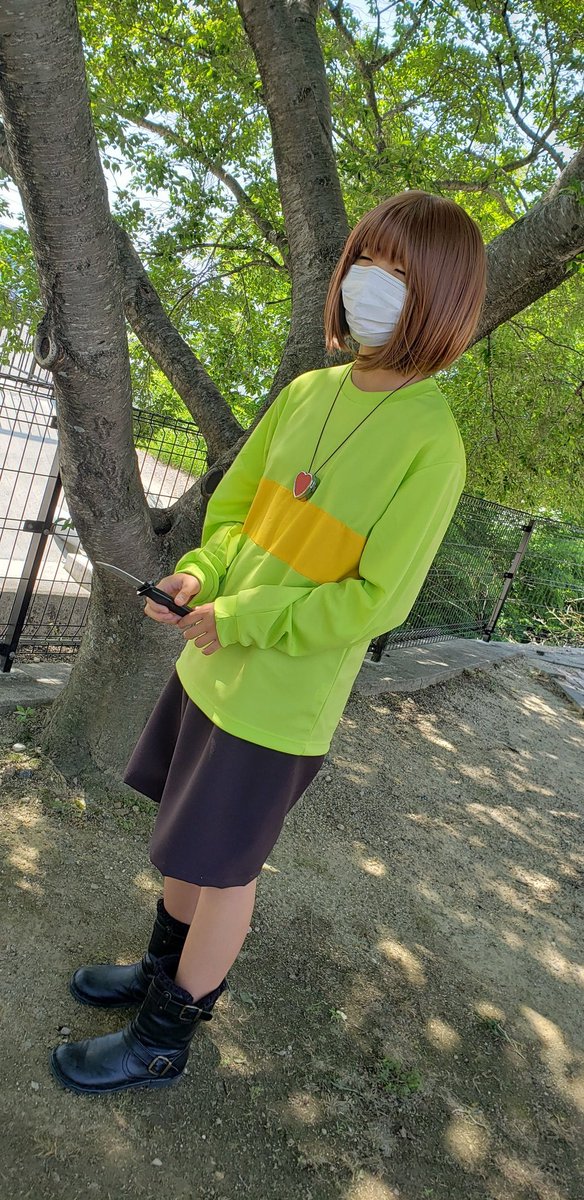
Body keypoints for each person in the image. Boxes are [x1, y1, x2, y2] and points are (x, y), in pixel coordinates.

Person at [50, 189, 486, 1094]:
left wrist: (241, 617)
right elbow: (236, 516)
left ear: (443, 298)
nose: (371, 284)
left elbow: (376, 601)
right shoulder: (307, 391)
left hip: (278, 705)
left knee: (224, 872)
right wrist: (197, 578)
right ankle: (158, 974)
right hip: (209, 670)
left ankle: (164, 1039)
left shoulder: (433, 443)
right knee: (183, 841)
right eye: (366, 261)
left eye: (400, 273)